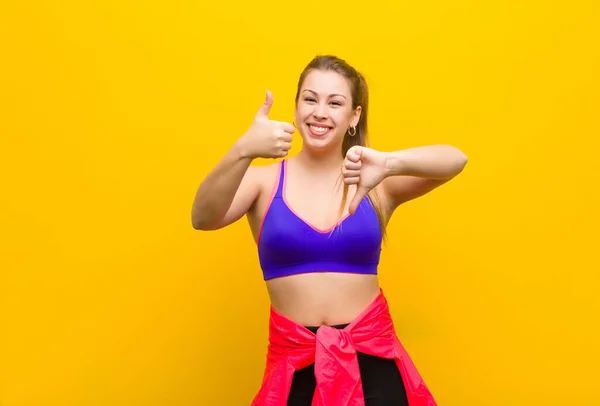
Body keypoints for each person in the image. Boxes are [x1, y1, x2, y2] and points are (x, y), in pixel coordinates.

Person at [191, 55, 468, 406]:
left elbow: (455, 159)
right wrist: (243, 149)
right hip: (295, 366)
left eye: (335, 102)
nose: (320, 112)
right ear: (295, 108)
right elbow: (202, 217)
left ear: (354, 116)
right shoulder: (262, 181)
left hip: (374, 365)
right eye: (310, 99)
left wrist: (388, 163)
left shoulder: (374, 182)